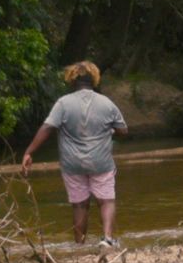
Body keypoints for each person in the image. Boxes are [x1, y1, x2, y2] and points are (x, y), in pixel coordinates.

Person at [21, 61, 129, 249]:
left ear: (72, 80)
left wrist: (29, 152)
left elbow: (47, 127)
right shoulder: (106, 103)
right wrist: (108, 130)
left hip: (72, 164)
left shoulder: (63, 103)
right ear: (94, 80)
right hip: (101, 162)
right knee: (106, 201)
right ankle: (107, 239)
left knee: (79, 205)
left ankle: (79, 245)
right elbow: (123, 130)